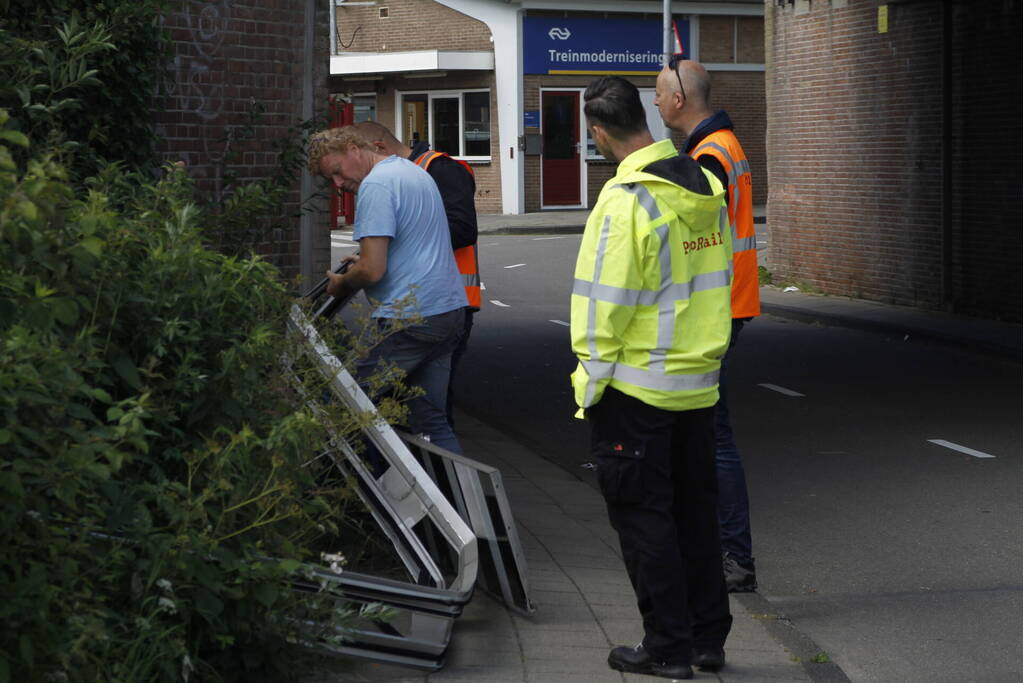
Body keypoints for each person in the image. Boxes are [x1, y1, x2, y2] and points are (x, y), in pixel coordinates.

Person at [570, 76, 733, 679]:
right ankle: (706, 640)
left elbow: (601, 308)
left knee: (645, 520)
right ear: (642, 115)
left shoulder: (625, 200)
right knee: (695, 514)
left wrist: (590, 385)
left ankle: (667, 647)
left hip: (637, 388)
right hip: (698, 382)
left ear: (597, 132)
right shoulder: (703, 181)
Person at [656, 56, 761, 593]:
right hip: (727, 303)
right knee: (706, 432)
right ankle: (722, 550)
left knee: (713, 437)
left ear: (678, 99)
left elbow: (695, 234)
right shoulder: (718, 145)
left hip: (718, 308)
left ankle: (733, 558)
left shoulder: (712, 154)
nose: (654, 102)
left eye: (657, 93)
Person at [306, 125, 467, 455]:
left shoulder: (376, 185)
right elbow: (412, 240)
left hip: (409, 318)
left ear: (353, 148)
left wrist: (342, 283)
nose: (338, 185)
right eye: (330, 180)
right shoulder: (412, 171)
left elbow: (372, 269)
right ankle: (455, 505)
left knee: (347, 405)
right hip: (448, 311)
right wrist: (365, 259)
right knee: (432, 422)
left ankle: (364, 495)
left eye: (336, 172)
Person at [351, 121, 480, 429]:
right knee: (419, 411)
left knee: (400, 404)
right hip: (430, 302)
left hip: (439, 301)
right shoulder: (408, 173)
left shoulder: (439, 169)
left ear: (378, 148)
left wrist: (394, 241)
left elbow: (463, 229)